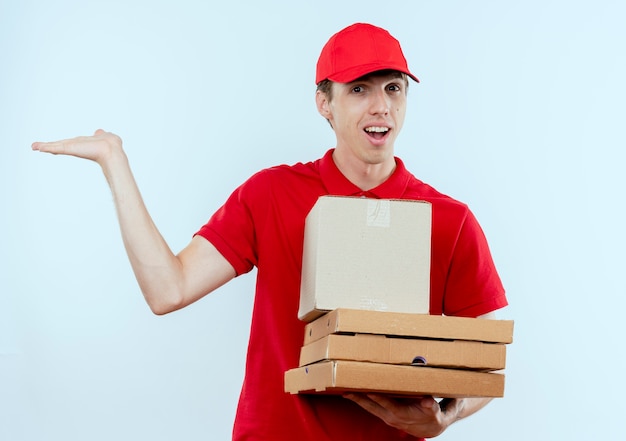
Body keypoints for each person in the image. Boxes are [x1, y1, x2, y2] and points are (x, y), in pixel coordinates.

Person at [32, 23, 507, 440]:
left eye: (394, 88)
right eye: (359, 89)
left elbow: (489, 358)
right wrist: (115, 163)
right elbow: (167, 290)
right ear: (324, 102)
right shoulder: (271, 195)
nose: (381, 106)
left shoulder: (448, 219)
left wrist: (448, 415)